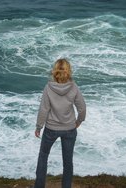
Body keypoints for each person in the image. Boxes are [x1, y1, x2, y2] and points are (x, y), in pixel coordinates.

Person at [34, 58, 86, 188]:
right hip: (69, 129)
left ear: (55, 71)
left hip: (51, 129)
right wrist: (78, 122)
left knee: (43, 156)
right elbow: (82, 108)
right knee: (67, 162)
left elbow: (44, 109)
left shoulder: (48, 87)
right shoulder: (74, 87)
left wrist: (39, 127)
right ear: (68, 71)